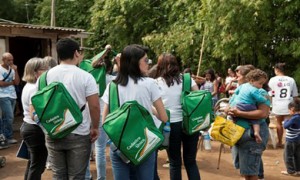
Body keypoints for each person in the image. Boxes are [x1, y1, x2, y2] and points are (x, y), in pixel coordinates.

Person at [33, 38, 100, 179]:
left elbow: (35, 106)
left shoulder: (44, 77)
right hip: (79, 132)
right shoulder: (86, 77)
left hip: (54, 131)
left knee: (58, 175)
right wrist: (95, 127)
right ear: (76, 53)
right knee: (77, 176)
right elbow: (94, 106)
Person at [101, 44, 168, 180]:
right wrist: (151, 110)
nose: (148, 63)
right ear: (135, 63)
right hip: (144, 142)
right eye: (145, 60)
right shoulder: (150, 84)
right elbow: (164, 117)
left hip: (120, 144)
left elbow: (105, 121)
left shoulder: (112, 85)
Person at [153, 53, 200, 180]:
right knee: (190, 161)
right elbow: (198, 98)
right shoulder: (188, 79)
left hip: (170, 125)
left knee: (174, 162)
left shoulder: (156, 83)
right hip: (190, 123)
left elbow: (154, 105)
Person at [228, 66, 270, 180]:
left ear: (248, 78)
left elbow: (263, 113)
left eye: (239, 74)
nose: (236, 77)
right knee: (246, 172)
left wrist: (239, 113)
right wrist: (229, 110)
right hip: (240, 134)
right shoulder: (241, 89)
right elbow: (231, 104)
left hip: (251, 136)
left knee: (251, 173)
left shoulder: (260, 92)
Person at [20, 58, 49, 180]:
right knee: (38, 165)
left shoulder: (29, 86)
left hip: (28, 127)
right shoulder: (34, 88)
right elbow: (35, 114)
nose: (47, 71)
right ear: (35, 72)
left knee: (33, 163)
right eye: (44, 69)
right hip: (34, 129)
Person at [231, 69, 269, 143]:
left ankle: (231, 132)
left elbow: (262, 114)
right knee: (255, 121)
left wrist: (236, 112)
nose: (261, 86)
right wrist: (265, 99)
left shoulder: (243, 86)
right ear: (251, 80)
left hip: (238, 107)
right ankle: (256, 132)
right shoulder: (254, 90)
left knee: (233, 118)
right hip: (248, 107)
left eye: (239, 76)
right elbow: (260, 98)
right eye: (260, 83)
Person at [268, 62, 298, 148]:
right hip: (289, 104)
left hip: (277, 104)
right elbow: (295, 95)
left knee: (278, 123)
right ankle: (290, 141)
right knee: (289, 123)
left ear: (276, 70)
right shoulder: (291, 80)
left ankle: (280, 142)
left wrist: (270, 103)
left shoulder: (272, 80)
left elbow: (270, 93)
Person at [0, 52, 20, 146]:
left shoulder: (12, 69)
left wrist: (15, 71)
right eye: (9, 60)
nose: (11, 61)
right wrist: (11, 83)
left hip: (12, 95)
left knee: (8, 118)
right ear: (3, 60)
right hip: (3, 96)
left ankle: (4, 137)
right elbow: (1, 84)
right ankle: (8, 137)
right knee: (9, 117)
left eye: (12, 59)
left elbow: (17, 82)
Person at [281, 98, 300, 176]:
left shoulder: (295, 118)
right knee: (297, 155)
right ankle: (298, 170)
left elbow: (285, 126)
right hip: (298, 138)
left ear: (292, 109)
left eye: (289, 110)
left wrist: (285, 121)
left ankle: (291, 171)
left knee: (287, 155)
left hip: (291, 140)